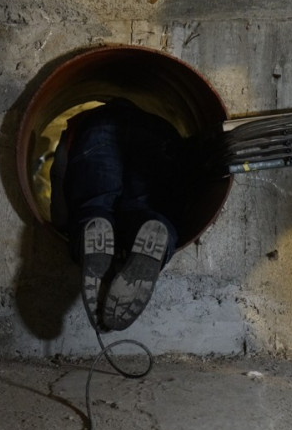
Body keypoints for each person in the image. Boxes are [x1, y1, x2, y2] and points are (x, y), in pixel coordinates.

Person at [50, 98, 190, 332]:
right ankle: (155, 226)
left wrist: (63, 223)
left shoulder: (84, 120)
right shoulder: (153, 118)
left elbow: (59, 172)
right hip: (159, 132)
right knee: (144, 208)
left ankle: (94, 224)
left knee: (95, 202)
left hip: (98, 129)